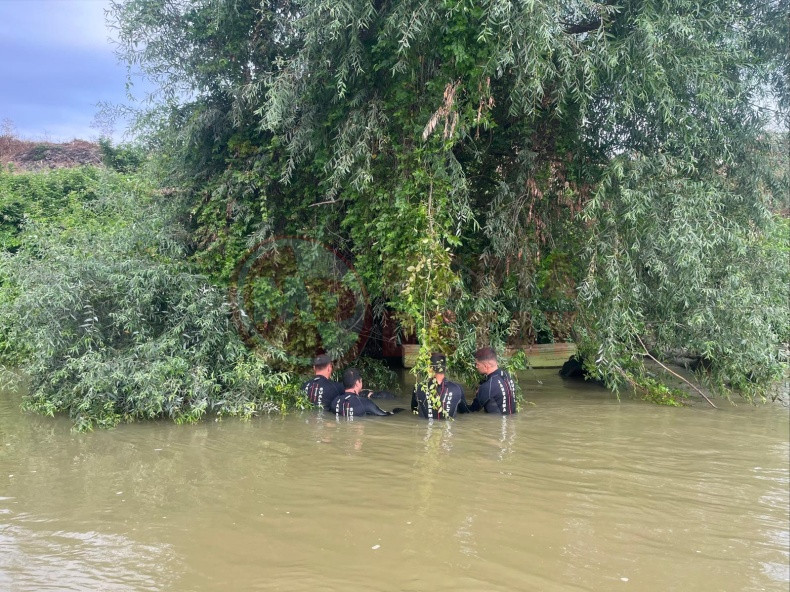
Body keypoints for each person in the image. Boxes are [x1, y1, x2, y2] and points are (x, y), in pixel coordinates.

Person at [411, 353, 470, 419]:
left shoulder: (418, 387)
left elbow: (414, 410)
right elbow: (464, 411)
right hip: (449, 427)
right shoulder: (457, 388)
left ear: (429, 369)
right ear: (446, 369)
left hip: (426, 427)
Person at [469, 347, 517, 414]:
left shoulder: (487, 386)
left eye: (477, 364)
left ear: (486, 366)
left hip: (497, 423)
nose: (476, 367)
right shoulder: (507, 375)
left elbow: (471, 410)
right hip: (512, 421)